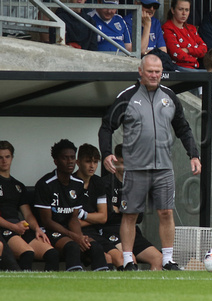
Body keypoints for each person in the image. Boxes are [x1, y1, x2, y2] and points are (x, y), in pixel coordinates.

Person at [98, 54, 201, 271]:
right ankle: (127, 260)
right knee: (130, 214)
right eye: (150, 71)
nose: (154, 75)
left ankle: (168, 260)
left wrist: (193, 154)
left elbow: (183, 128)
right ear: (140, 72)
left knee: (166, 212)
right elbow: (107, 126)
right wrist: (106, 153)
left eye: (158, 71)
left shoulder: (170, 96)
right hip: (135, 168)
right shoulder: (127, 96)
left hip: (164, 167)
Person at [34, 139, 109, 271]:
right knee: (72, 246)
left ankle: (101, 287)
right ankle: (70, 284)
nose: (70, 162)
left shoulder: (78, 183)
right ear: (56, 161)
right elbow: (47, 221)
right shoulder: (45, 184)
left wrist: (79, 237)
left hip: (70, 230)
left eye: (72, 158)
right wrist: (73, 236)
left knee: (96, 247)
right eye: (65, 158)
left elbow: (73, 218)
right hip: (52, 230)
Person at [102, 145, 164, 270]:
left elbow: (139, 217)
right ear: (115, 161)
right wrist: (127, 210)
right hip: (111, 231)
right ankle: (126, 289)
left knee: (159, 258)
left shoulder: (137, 185)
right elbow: (107, 215)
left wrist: (118, 209)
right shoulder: (105, 183)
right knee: (130, 260)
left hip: (133, 231)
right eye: (124, 163)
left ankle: (153, 289)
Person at [0, 140, 59, 271]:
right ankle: (21, 289)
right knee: (27, 253)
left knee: (52, 254)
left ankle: (50, 290)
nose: (4, 160)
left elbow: (27, 214)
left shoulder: (18, 185)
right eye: (0, 157)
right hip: (5, 227)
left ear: (12, 158)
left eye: (7, 157)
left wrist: (37, 229)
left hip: (19, 227)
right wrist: (14, 227)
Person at [72, 144, 121, 269]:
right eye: (88, 161)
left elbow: (103, 217)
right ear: (78, 162)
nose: (92, 166)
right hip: (73, 233)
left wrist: (84, 215)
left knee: (120, 257)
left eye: (95, 162)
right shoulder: (70, 182)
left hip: (94, 231)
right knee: (107, 257)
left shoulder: (98, 182)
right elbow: (69, 221)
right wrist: (93, 217)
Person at [162, 0, 207, 71]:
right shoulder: (167, 28)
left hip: (194, 69)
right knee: (211, 78)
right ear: (173, 10)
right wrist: (194, 58)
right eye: (180, 9)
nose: (184, 13)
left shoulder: (192, 28)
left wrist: (187, 50)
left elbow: (204, 50)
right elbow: (176, 54)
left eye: (187, 10)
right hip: (178, 68)